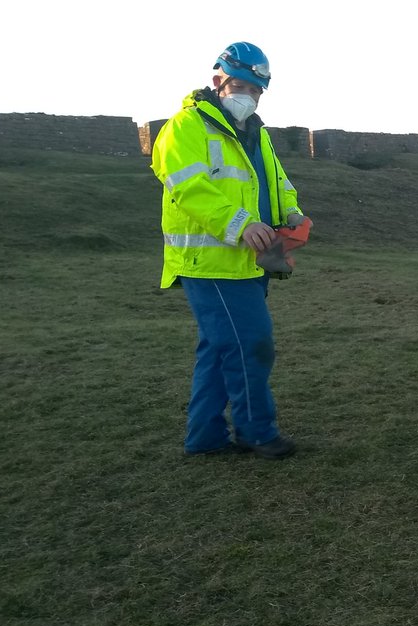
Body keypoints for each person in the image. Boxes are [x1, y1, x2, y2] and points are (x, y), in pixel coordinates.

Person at [150, 41, 305, 460]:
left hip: (251, 263)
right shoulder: (185, 127)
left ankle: (204, 437)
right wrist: (240, 224)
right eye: (241, 85)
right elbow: (189, 190)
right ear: (217, 80)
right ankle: (256, 431)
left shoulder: (257, 133)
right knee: (250, 345)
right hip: (211, 264)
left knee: (220, 350)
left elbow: (277, 183)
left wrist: (291, 212)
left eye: (256, 90)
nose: (248, 96)